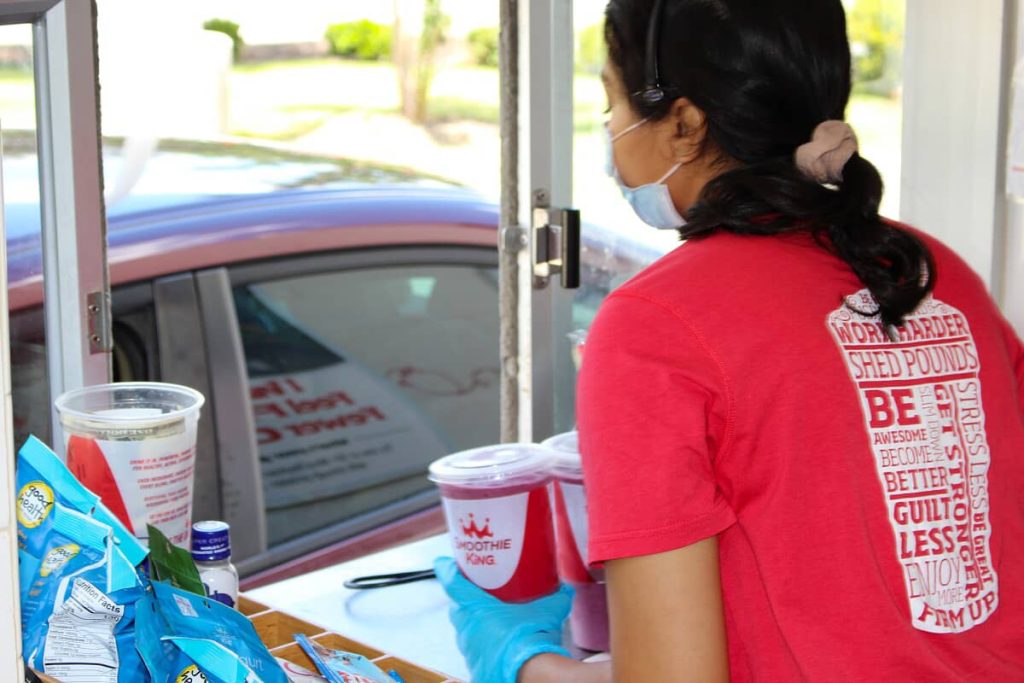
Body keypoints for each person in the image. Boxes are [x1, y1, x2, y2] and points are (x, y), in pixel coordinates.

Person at [433, 0, 1024, 680]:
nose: (610, 130)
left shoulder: (657, 324)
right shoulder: (931, 272)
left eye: (611, 102)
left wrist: (520, 659)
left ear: (682, 123)